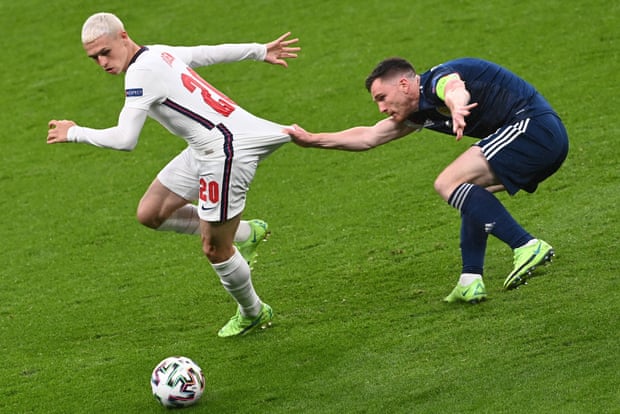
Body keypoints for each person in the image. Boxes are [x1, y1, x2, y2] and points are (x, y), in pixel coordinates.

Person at [47, 12, 301, 336]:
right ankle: (246, 233)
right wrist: (258, 50)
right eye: (94, 58)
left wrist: (75, 133)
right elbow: (204, 53)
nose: (102, 62)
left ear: (123, 36)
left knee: (214, 249)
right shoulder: (157, 52)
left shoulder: (140, 74)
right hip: (202, 147)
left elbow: (126, 140)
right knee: (150, 214)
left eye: (105, 52)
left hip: (223, 152)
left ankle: (252, 311)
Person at [285, 57, 568, 304]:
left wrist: (457, 107)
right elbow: (369, 136)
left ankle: (526, 245)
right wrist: (312, 140)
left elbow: (454, 88)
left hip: (532, 128)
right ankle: (470, 280)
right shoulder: (418, 111)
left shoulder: (435, 80)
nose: (381, 108)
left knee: (448, 182)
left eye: (382, 98)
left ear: (405, 85)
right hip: (542, 139)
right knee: (470, 194)